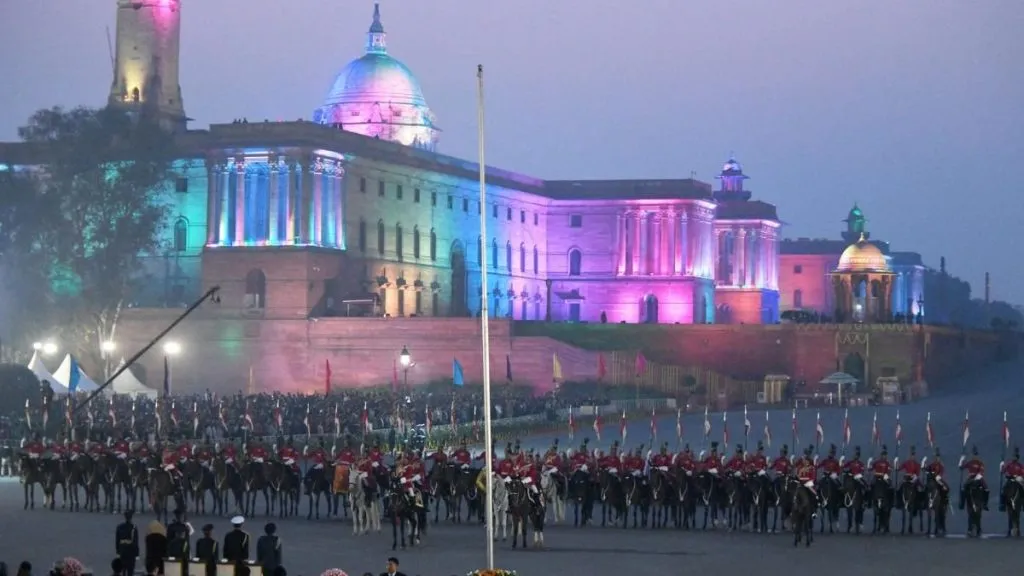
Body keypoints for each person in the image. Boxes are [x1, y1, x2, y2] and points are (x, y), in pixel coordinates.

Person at [959, 445, 989, 510]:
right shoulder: (970, 462)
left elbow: (982, 470)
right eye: (973, 454)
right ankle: (962, 504)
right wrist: (961, 460)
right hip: (971, 477)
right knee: (963, 488)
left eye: (975, 454)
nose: (974, 456)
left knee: (986, 489)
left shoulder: (980, 463)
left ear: (977, 455)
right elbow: (961, 467)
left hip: (978, 477)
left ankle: (985, 504)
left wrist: (978, 476)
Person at [114, 510, 139, 576]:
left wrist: (118, 551)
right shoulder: (134, 527)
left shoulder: (119, 527)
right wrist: (137, 554)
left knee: (123, 569)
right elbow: (135, 542)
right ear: (131, 518)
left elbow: (117, 540)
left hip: (122, 550)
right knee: (130, 570)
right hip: (131, 551)